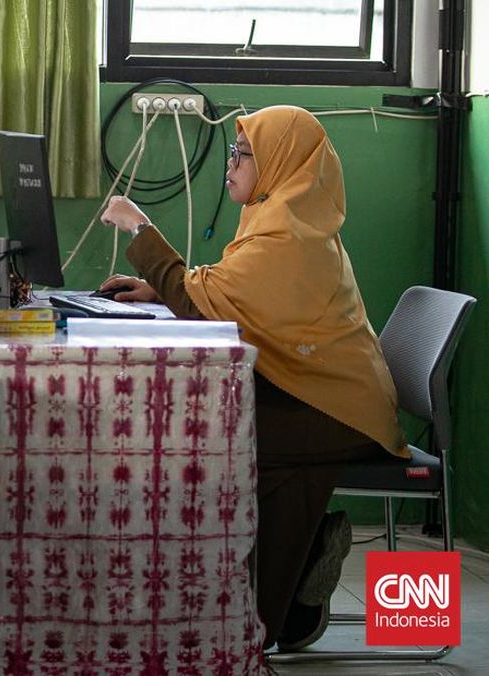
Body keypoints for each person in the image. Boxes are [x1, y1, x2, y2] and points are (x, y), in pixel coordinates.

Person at [98, 105, 406, 651]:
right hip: (324, 395)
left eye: (243, 155)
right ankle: (285, 603)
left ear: (283, 162)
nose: (231, 166)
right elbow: (225, 296)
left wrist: (140, 226)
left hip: (338, 413)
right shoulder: (281, 218)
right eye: (233, 153)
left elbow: (205, 308)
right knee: (224, 434)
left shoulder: (287, 237)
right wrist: (161, 289)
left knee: (221, 440)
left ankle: (257, 618)